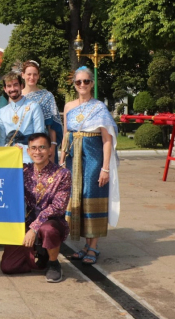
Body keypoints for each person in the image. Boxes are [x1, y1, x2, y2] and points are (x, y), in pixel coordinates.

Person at [61, 67, 120, 265]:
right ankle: (85, 246)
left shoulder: (99, 108)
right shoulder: (69, 107)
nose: (82, 85)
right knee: (76, 197)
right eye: (78, 82)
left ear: (92, 84)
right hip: (73, 158)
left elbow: (107, 140)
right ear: (75, 85)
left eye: (86, 81)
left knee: (91, 196)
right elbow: (65, 135)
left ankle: (93, 246)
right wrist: (62, 160)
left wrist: (105, 168)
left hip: (93, 158)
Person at [1, 132, 71, 283]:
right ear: (28, 151)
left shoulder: (63, 174)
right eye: (33, 148)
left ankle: (53, 263)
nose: (37, 152)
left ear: (50, 150)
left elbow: (58, 207)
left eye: (42, 148)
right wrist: (10, 153)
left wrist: (34, 228)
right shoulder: (24, 171)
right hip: (28, 221)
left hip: (52, 222)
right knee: (8, 267)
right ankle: (39, 254)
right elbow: (1, 172)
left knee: (48, 229)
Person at [0, 70, 45, 162]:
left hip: (29, 155)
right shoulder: (2, 111)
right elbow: (2, 138)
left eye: (15, 85)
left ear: (21, 86)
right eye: (9, 86)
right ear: (5, 89)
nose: (12, 89)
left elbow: (39, 134)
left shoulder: (33, 106)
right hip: (8, 156)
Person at [21, 60, 63, 163]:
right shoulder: (16, 97)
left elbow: (52, 126)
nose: (32, 77)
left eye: (35, 74)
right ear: (23, 75)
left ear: (38, 76)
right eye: (29, 74)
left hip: (42, 145)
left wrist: (52, 147)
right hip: (21, 144)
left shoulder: (47, 96)